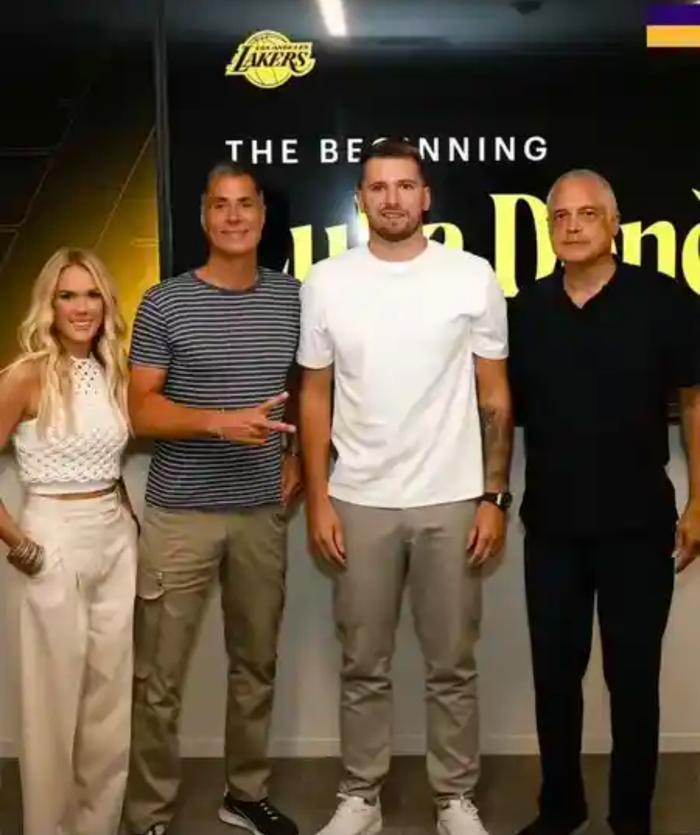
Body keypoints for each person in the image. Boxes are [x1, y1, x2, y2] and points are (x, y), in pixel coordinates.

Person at [298, 138, 513, 835]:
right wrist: (319, 498)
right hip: (358, 499)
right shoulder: (326, 282)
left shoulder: (471, 276)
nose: (392, 198)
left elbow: (494, 396)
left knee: (452, 662)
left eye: (404, 185)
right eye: (378, 187)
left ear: (426, 197)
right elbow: (314, 395)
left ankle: (454, 798)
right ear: (361, 200)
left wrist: (493, 497)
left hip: (452, 498)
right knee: (364, 662)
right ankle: (361, 795)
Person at [508, 169, 700, 835]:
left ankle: (630, 816)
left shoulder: (664, 300)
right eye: (560, 216)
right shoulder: (525, 311)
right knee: (554, 678)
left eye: (587, 214)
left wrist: (699, 502)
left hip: (638, 525)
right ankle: (560, 808)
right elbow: (497, 409)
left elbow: (695, 403)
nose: (572, 226)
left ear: (614, 224)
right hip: (552, 528)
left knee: (634, 679)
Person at [123, 162, 301, 835]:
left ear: (262, 215)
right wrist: (220, 422)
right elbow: (141, 410)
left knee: (256, 664)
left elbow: (314, 390)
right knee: (158, 677)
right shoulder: (164, 303)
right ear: (203, 217)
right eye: (220, 205)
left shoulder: (294, 298)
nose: (233, 217)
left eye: (245, 204)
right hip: (181, 515)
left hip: (260, 512)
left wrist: (302, 461)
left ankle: (245, 792)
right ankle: (148, 812)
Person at [0, 247, 138, 835]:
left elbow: (108, 460)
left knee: (109, 703)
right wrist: (18, 542)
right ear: (49, 305)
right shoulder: (27, 374)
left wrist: (129, 525)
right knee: (51, 706)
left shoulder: (114, 370)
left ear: (106, 303)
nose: (82, 308)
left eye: (92, 295)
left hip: (115, 539)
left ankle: (96, 827)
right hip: (52, 538)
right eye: (68, 296)